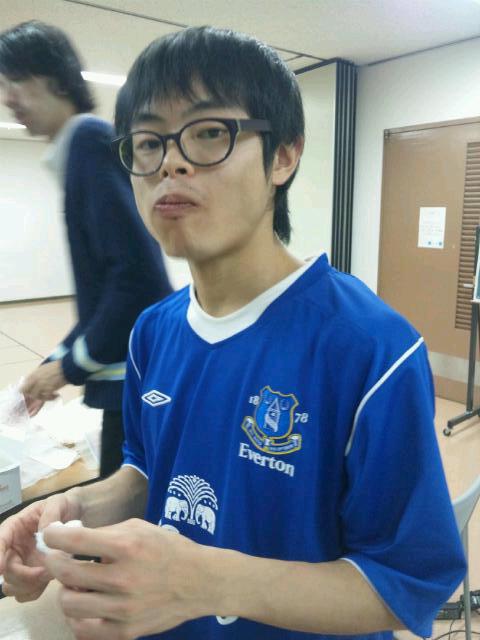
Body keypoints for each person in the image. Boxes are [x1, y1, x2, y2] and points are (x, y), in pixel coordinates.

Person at [0, 26, 465, 640]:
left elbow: (405, 583)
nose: (171, 163)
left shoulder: (371, 349)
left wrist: (204, 581)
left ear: (284, 156)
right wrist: (76, 508)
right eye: (148, 143)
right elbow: (149, 473)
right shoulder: (152, 332)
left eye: (209, 133)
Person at [0, 21, 172, 477]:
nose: (8, 97)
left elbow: (134, 277)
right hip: (130, 372)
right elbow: (107, 291)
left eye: (17, 80)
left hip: (136, 375)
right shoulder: (81, 146)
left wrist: (66, 369)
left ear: (57, 79)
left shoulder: (88, 141)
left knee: (122, 501)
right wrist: (56, 364)